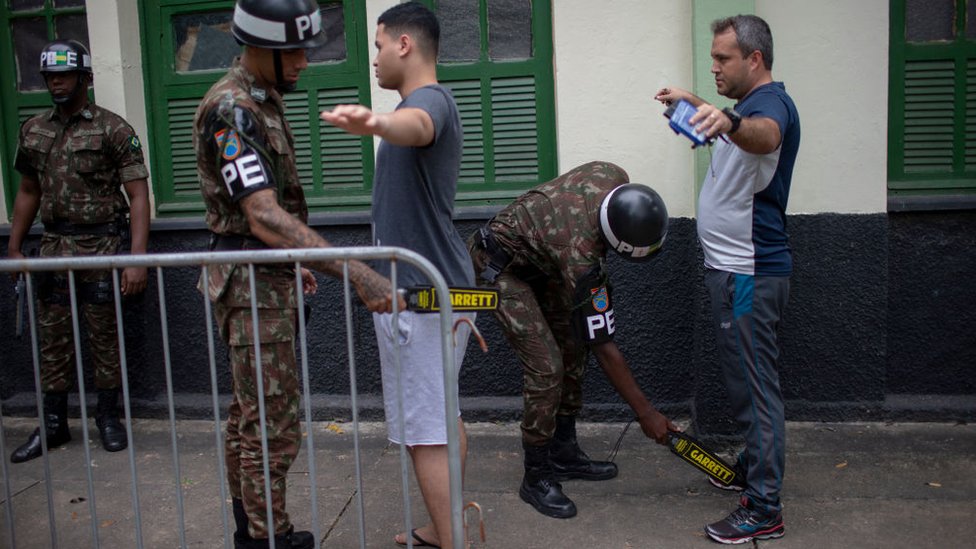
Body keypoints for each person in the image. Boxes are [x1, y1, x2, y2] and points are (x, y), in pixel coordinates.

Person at [194, 1, 400, 548]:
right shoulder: (233, 107)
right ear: (263, 48)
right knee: (271, 426)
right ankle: (267, 537)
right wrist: (354, 271)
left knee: (250, 416)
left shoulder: (260, 99)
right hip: (249, 282)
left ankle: (253, 533)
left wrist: (293, 262)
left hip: (261, 275)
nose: (307, 61)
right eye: (298, 51)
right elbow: (262, 214)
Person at [320, 3, 475, 547]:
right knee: (441, 416)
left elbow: (416, 127)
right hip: (439, 291)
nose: (375, 59)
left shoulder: (427, 103)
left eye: (379, 45)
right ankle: (444, 525)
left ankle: (451, 538)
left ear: (404, 45)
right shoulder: (427, 102)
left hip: (421, 297)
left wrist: (378, 122)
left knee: (425, 431)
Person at [655, 13, 800, 545]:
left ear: (754, 59)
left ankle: (765, 508)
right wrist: (690, 101)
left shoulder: (769, 108)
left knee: (756, 392)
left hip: (749, 275)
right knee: (747, 385)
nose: (715, 66)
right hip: (733, 272)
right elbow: (736, 132)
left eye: (722, 59)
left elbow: (764, 137)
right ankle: (755, 464)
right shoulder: (743, 107)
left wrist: (733, 124)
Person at [467, 160, 678, 519]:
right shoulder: (580, 256)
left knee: (574, 345)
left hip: (544, 259)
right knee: (547, 368)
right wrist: (646, 413)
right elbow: (605, 345)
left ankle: (563, 453)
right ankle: (535, 477)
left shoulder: (614, 176)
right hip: (500, 265)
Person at [7, 39, 150, 464]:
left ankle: (108, 418)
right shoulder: (34, 130)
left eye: (64, 75)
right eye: (50, 76)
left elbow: (139, 195)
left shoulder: (114, 128)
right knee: (52, 339)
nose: (56, 82)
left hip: (102, 245)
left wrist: (136, 259)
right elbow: (28, 190)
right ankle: (53, 425)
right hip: (53, 247)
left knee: (105, 336)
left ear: (85, 78)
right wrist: (14, 248)